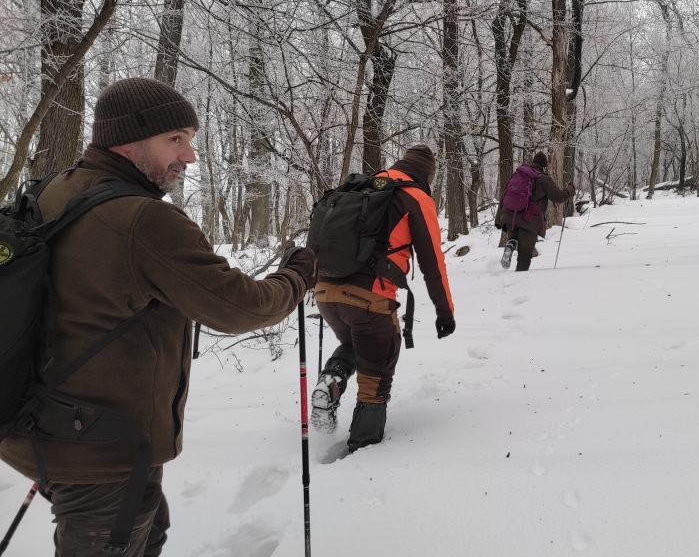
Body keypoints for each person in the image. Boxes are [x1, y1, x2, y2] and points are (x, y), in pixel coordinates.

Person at [0, 77, 317, 557]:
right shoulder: (143, 219)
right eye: (176, 139)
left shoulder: (51, 190)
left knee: (150, 530)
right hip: (100, 450)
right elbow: (239, 306)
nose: (189, 156)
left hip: (41, 426)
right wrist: (296, 278)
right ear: (129, 141)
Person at [310, 145, 455, 453]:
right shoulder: (415, 197)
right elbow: (433, 264)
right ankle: (364, 452)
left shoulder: (362, 188)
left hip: (325, 291)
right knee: (377, 372)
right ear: (427, 175)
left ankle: (332, 380)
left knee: (357, 343)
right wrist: (445, 312)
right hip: (369, 298)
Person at [497, 151, 576, 271]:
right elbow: (559, 197)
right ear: (544, 166)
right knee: (525, 252)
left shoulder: (517, 174)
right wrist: (570, 190)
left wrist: (499, 219)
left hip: (509, 218)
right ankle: (520, 278)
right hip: (528, 220)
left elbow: (504, 196)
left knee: (516, 240)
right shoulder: (543, 179)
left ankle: (511, 244)